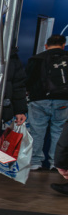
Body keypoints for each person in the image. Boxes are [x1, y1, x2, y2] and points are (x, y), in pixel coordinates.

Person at [25, 34, 68, 171]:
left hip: (39, 100)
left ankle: (35, 162)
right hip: (63, 99)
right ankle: (56, 163)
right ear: (63, 45)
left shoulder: (36, 59)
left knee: (37, 131)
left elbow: (27, 80)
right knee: (59, 131)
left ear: (46, 45)